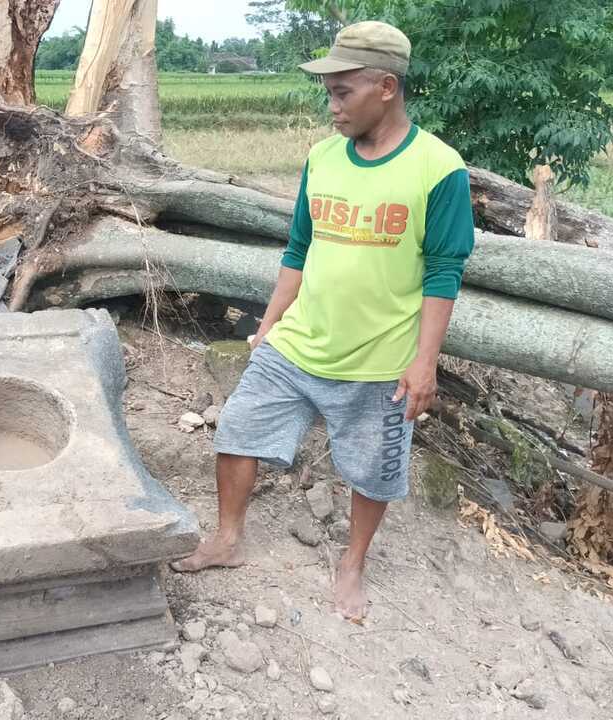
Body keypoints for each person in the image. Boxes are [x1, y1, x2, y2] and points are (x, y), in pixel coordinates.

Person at [170, 21, 475, 621]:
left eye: (343, 92)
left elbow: (444, 272)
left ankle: (352, 564)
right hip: (297, 344)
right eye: (328, 93)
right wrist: (269, 325)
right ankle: (228, 540)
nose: (332, 107)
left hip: (379, 360)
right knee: (237, 431)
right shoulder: (323, 158)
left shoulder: (439, 168)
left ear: (386, 87)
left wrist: (424, 364)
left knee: (373, 472)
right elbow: (299, 249)